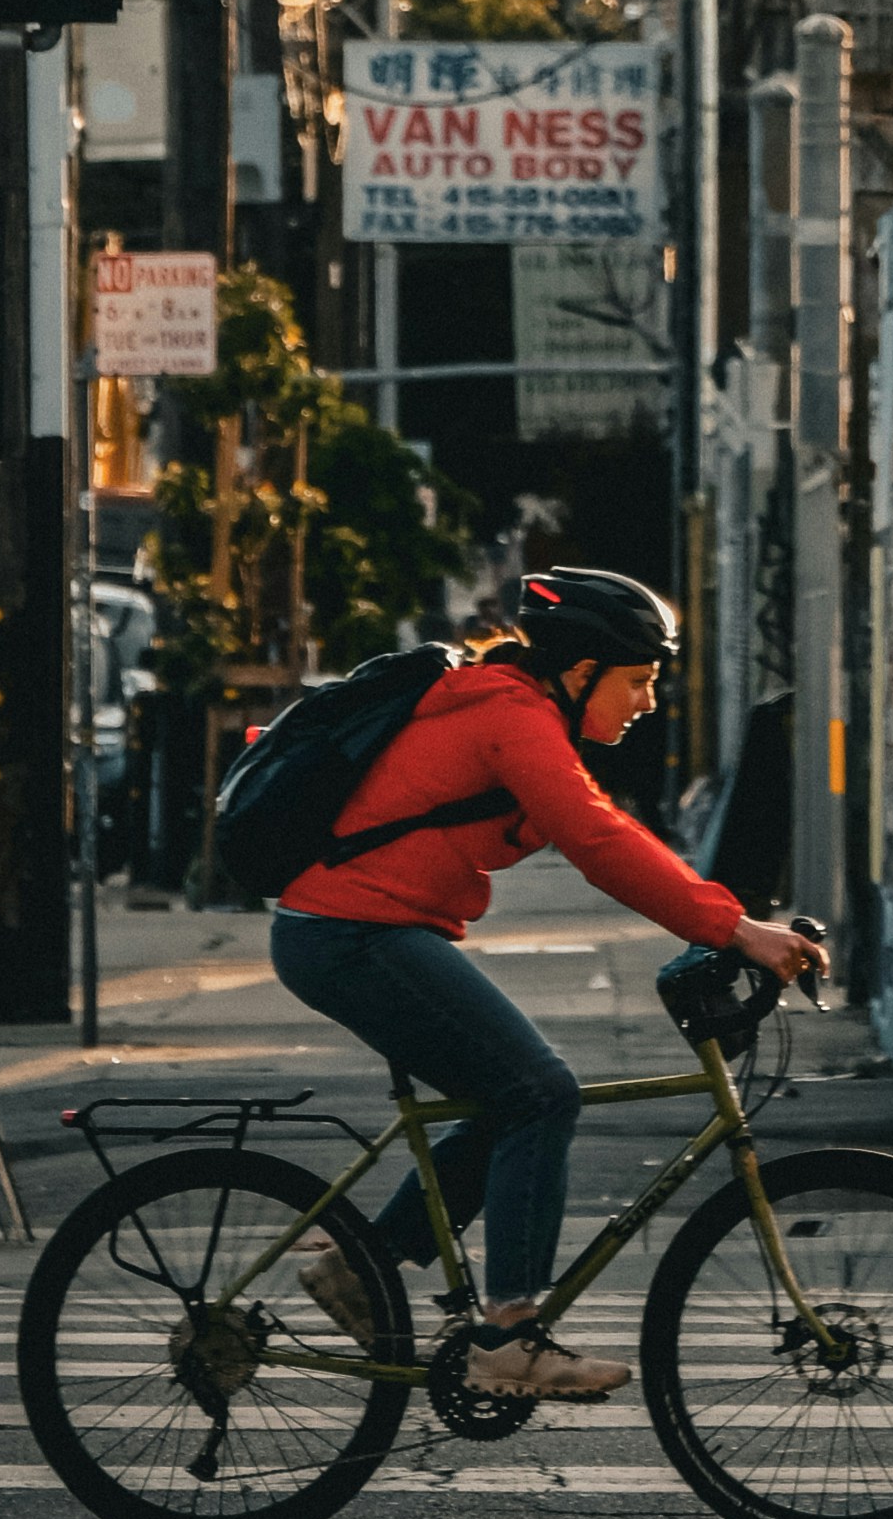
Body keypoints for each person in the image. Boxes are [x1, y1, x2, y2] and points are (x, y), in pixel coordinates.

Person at [268, 568, 819, 1400]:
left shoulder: (524, 715)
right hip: (349, 932)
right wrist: (734, 928)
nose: (647, 702)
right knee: (539, 1092)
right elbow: (596, 843)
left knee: (512, 1097)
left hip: (360, 928)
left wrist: (726, 916)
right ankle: (508, 1335)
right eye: (637, 681)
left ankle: (361, 1270)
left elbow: (610, 827)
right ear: (579, 672)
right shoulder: (509, 713)